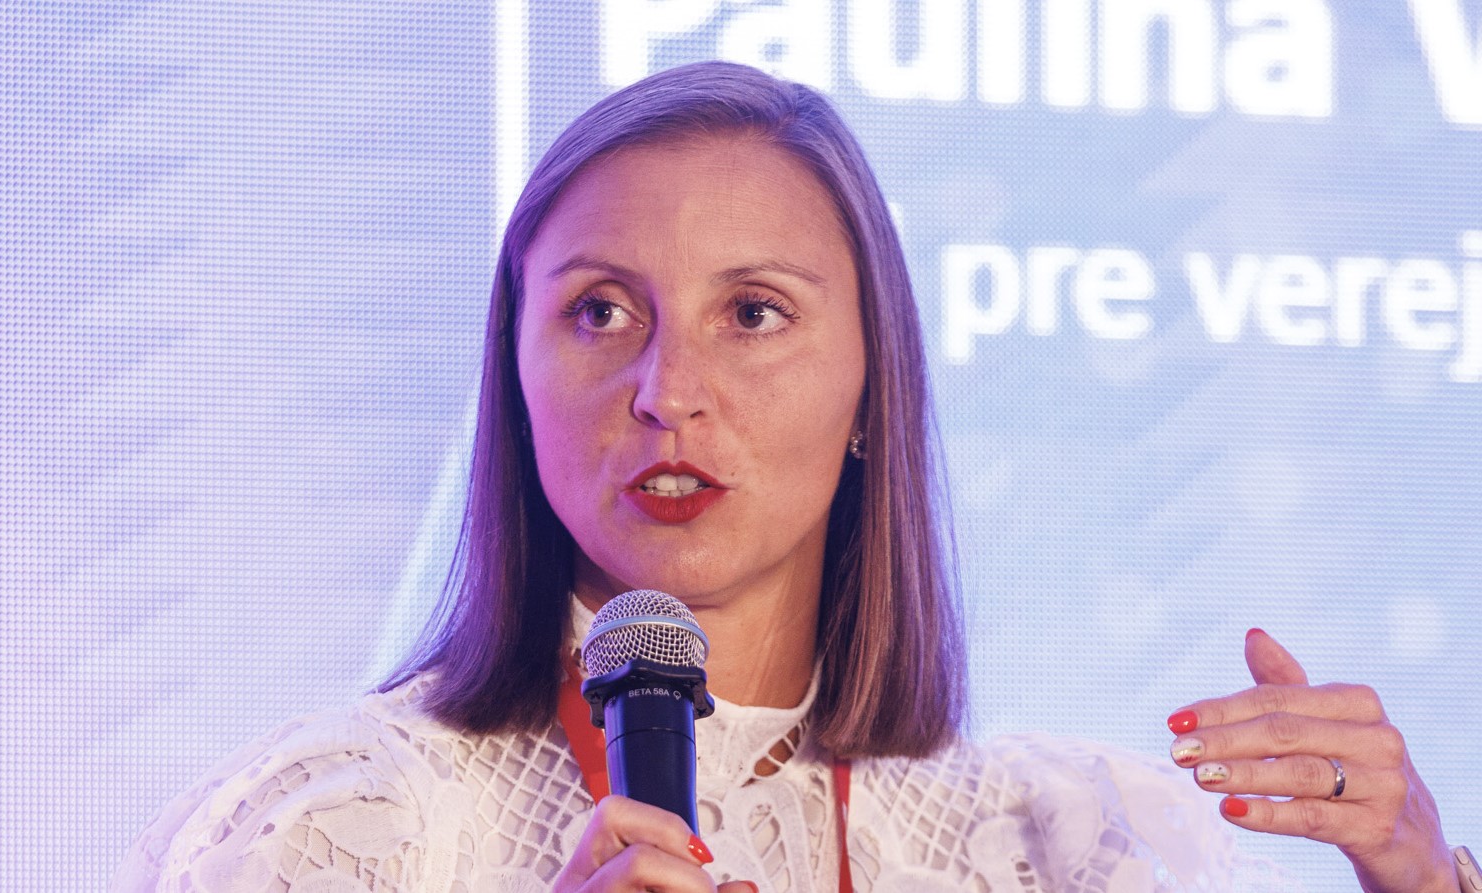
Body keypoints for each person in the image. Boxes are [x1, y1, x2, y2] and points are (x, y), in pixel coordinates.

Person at [116, 61, 1462, 892]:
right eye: (600, 311)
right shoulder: (347, 827)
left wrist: (1415, 879)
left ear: (873, 386)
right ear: (513, 374)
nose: (669, 390)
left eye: (753, 312)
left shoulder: (1050, 844)